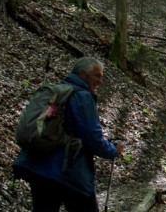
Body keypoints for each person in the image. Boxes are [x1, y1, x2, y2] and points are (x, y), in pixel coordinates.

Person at [13, 57, 124, 212]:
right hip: (69, 172)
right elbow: (93, 138)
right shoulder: (82, 97)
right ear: (83, 74)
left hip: (39, 168)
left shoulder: (58, 91)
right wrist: (113, 150)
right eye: (97, 75)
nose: (100, 81)